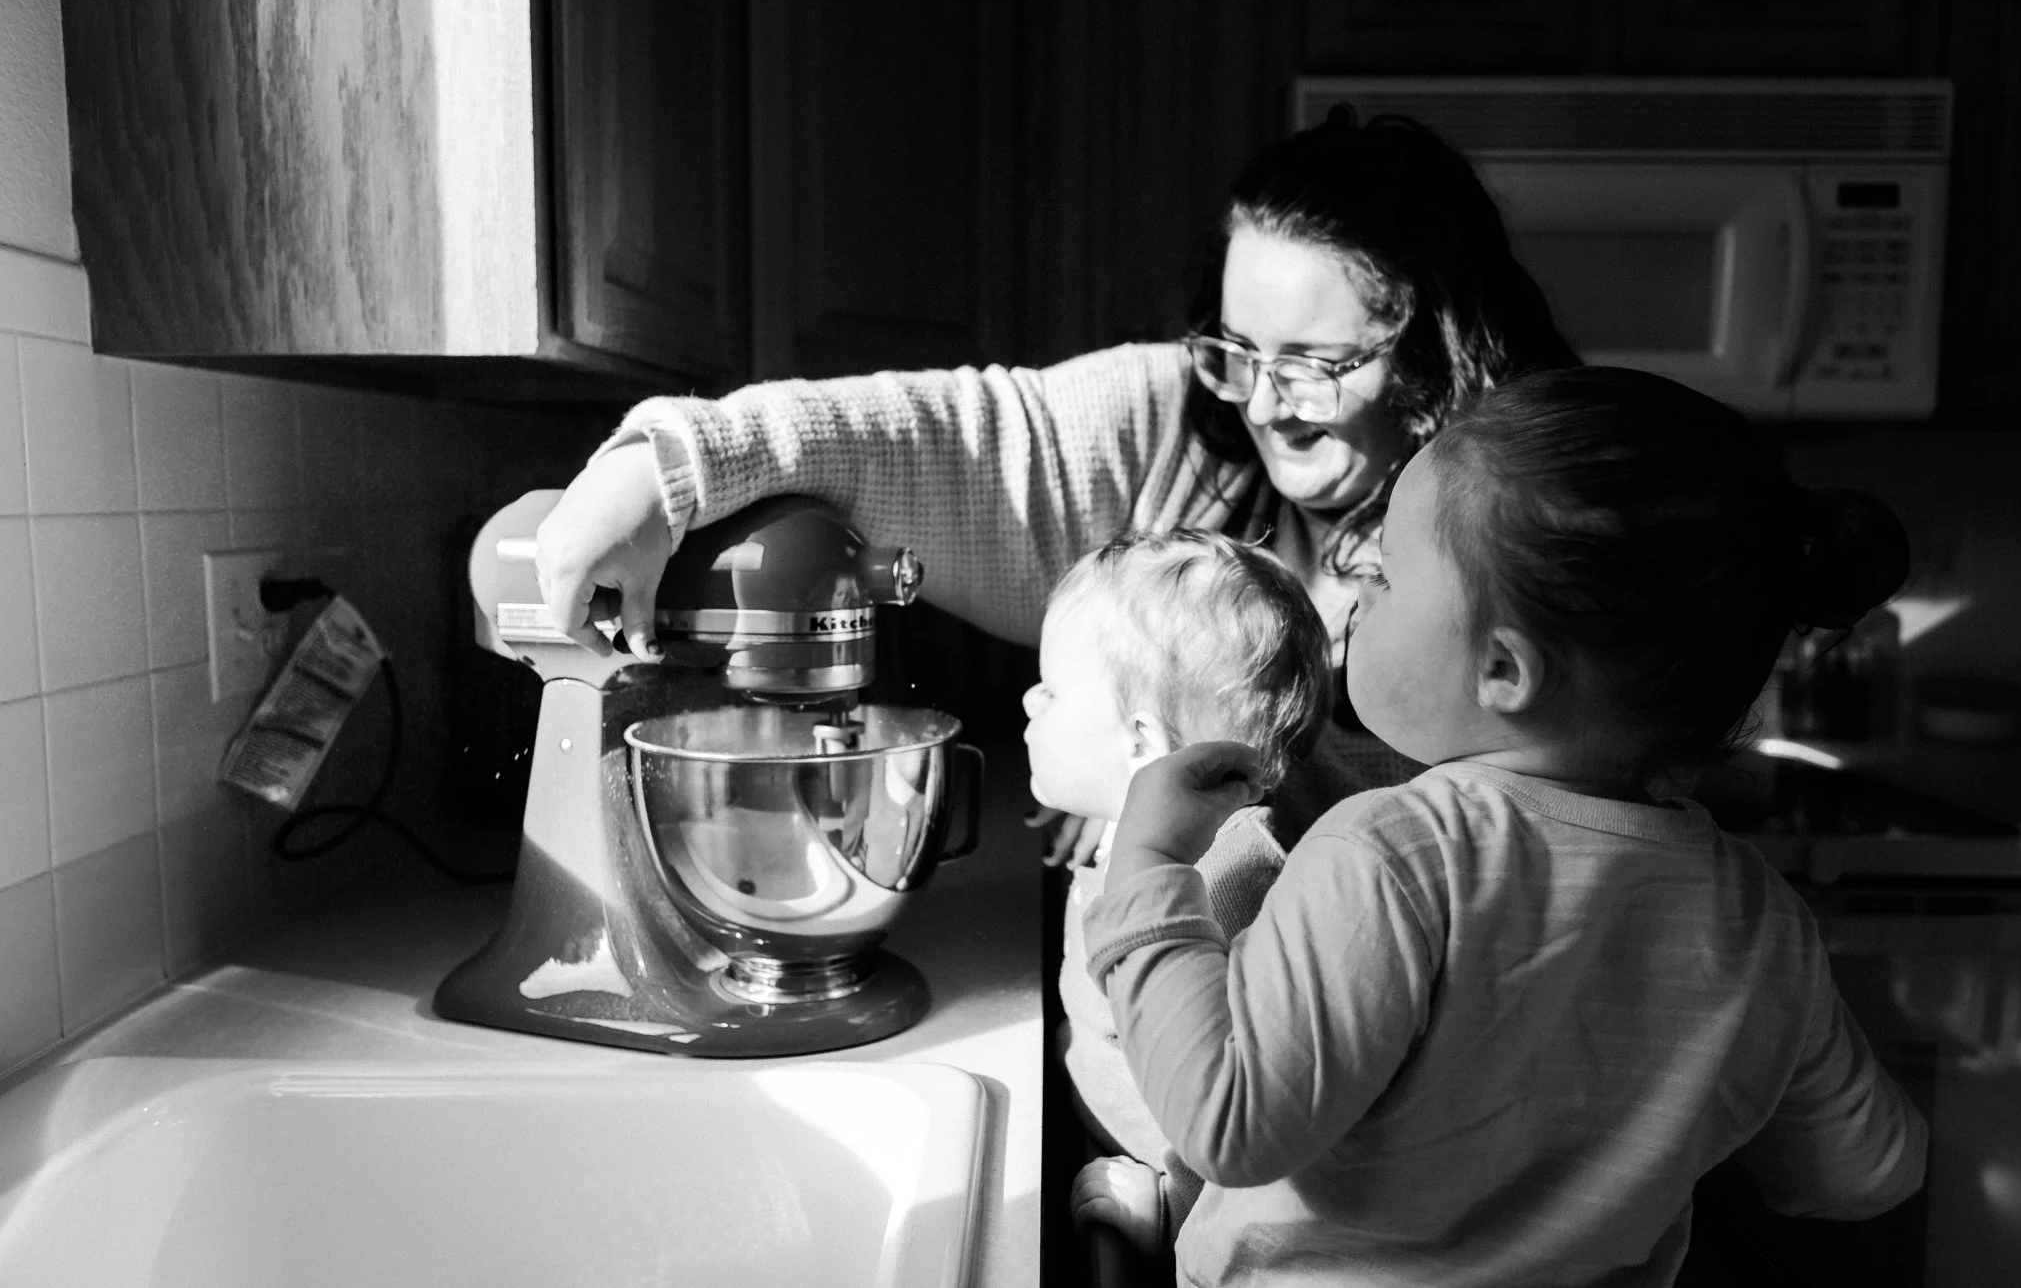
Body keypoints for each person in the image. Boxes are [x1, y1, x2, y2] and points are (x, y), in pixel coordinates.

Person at [531, 110, 1579, 849]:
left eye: (1311, 366)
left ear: (1439, 352)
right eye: (1237, 348)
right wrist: (663, 470)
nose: (1260, 404)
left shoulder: (1521, 521)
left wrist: (1152, 793)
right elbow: (937, 434)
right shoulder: (1175, 418)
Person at [1085, 368, 1928, 1285]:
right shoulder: (1764, 924)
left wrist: (1147, 865)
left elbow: (1228, 1121)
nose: (1357, 592)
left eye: (1388, 573)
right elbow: (1869, 1170)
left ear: (1502, 668)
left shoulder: (1390, 857)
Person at [1022, 529, 1329, 1256]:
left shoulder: (1231, 872)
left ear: (1141, 741)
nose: (1030, 697)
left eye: (1054, 688)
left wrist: (1176, 1206)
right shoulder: (1119, 828)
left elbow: (1256, 1104)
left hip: (1179, 1213)